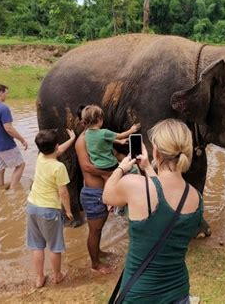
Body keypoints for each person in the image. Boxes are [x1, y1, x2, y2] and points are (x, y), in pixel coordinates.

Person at [103, 119, 203, 303]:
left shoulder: (134, 185)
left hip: (140, 295)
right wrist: (148, 167)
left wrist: (121, 168)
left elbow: (107, 196)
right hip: (178, 293)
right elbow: (165, 202)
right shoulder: (196, 197)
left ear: (156, 150)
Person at [26, 129, 76, 288]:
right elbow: (63, 193)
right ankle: (57, 275)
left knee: (37, 245)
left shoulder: (40, 157)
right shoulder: (58, 167)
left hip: (32, 206)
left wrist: (72, 139)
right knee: (55, 246)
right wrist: (68, 211)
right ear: (56, 145)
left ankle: (39, 278)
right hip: (49, 210)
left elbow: (58, 150)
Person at [75, 106, 115, 275]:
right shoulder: (82, 141)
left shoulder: (96, 137)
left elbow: (110, 154)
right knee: (95, 230)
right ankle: (95, 264)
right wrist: (110, 174)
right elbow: (86, 167)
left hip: (100, 192)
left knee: (99, 227)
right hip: (93, 193)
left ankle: (98, 253)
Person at [82, 105, 140, 181]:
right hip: (110, 164)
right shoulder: (104, 132)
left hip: (98, 164)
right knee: (132, 169)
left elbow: (101, 140)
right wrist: (131, 130)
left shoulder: (87, 133)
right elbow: (120, 135)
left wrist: (119, 142)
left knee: (108, 180)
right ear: (99, 119)